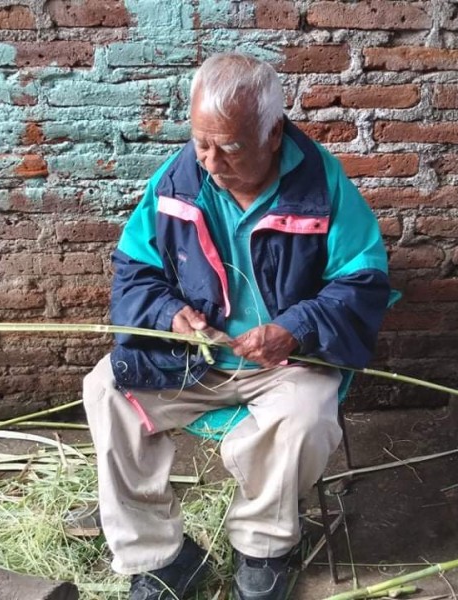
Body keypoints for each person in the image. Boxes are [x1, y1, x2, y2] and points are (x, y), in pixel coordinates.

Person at [82, 52, 391, 600]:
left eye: (230, 145)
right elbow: (134, 271)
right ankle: (160, 560)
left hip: (284, 361)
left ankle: (263, 548)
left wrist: (295, 326)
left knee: (304, 419)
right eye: (201, 141)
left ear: (273, 133)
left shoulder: (320, 185)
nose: (211, 160)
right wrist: (165, 314)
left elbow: (363, 280)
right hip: (193, 359)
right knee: (105, 387)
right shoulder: (178, 181)